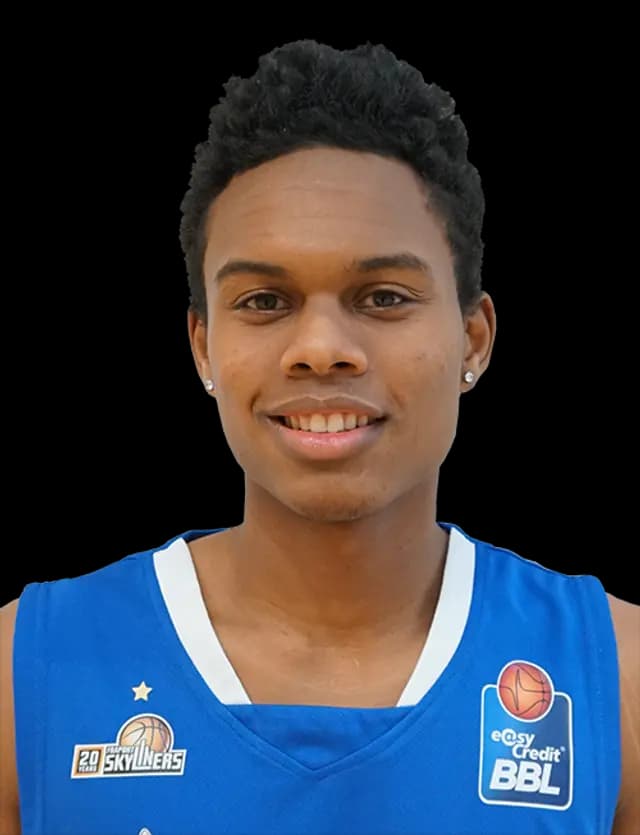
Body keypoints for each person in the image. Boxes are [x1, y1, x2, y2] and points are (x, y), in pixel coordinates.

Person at [1, 38, 637, 835]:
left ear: (474, 339)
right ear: (204, 346)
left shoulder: (615, 670)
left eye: (383, 295)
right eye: (264, 301)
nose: (321, 347)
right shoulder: (27, 670)